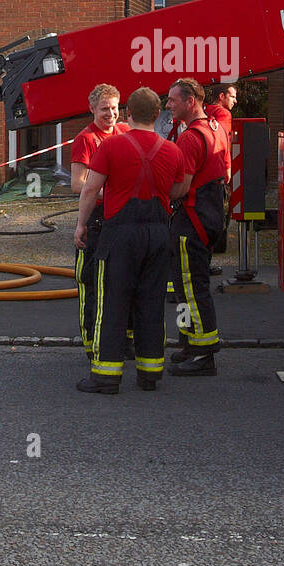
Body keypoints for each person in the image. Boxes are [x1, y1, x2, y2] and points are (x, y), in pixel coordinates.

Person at [73, 86, 184, 394]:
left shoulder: (111, 147)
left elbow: (90, 189)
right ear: (158, 115)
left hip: (120, 234)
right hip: (159, 235)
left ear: (128, 114)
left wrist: (81, 225)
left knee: (113, 302)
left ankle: (106, 377)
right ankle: (150, 374)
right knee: (151, 304)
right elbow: (177, 191)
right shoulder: (173, 150)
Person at [165, 77, 228, 376]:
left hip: (191, 220)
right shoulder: (216, 128)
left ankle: (203, 355)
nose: (167, 105)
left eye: (172, 100)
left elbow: (180, 188)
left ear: (190, 101)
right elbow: (224, 174)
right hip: (211, 216)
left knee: (190, 288)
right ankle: (189, 343)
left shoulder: (190, 138)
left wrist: (154, 192)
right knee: (182, 286)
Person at [69, 84, 128, 357]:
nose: (111, 114)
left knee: (121, 281)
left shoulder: (125, 132)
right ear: (92, 109)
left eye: (115, 107)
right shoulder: (86, 139)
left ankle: (123, 340)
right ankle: (91, 343)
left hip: (121, 218)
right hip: (96, 217)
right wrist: (111, 192)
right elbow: (77, 184)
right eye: (105, 108)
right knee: (90, 281)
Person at [204, 83, 237, 263]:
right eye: (232, 96)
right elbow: (222, 141)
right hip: (218, 174)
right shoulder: (224, 114)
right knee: (219, 218)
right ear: (222, 96)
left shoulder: (204, 111)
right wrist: (228, 170)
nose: (235, 100)